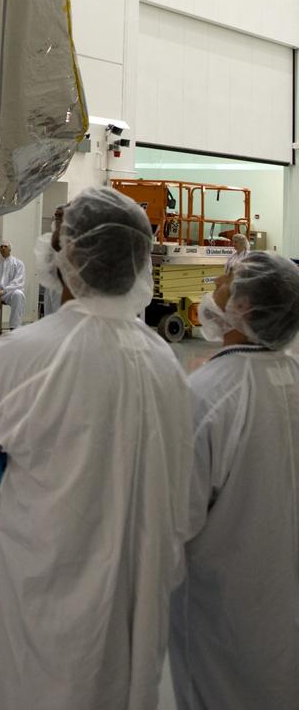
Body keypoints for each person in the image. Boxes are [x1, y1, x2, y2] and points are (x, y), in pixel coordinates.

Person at [0, 186, 192, 710]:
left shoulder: (30, 354)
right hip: (134, 608)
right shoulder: (167, 365)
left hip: (46, 597)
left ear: (69, 254)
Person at [169, 252, 299, 710]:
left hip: (225, 616)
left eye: (227, 281)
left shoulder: (207, 397)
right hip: (285, 609)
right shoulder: (291, 378)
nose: (216, 285)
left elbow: (172, 523)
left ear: (243, 307)